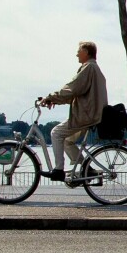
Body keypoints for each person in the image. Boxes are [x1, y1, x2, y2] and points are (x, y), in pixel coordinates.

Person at [41, 40, 108, 181]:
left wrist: (51, 97)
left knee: (56, 133)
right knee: (67, 141)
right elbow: (76, 93)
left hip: (86, 115)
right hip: (91, 113)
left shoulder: (88, 67)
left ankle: (58, 170)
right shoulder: (93, 68)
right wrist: (54, 100)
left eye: (79, 50)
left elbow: (73, 88)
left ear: (86, 52)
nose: (76, 53)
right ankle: (87, 169)